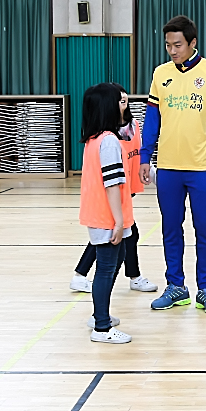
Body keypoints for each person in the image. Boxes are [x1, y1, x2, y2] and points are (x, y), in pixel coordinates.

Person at [140, 15, 206, 315]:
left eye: (178, 45)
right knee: (170, 229)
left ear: (193, 43)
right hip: (167, 167)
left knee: (204, 229)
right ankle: (176, 286)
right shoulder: (160, 74)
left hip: (201, 167)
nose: (172, 50)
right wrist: (144, 156)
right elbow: (152, 120)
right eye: (168, 45)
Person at [70, 85, 158, 294]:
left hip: (125, 192)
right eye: (120, 100)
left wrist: (158, 179)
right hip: (111, 196)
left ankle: (128, 277)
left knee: (121, 238)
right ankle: (87, 278)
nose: (124, 103)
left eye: (126, 99)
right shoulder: (106, 138)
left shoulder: (133, 127)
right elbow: (109, 181)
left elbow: (140, 157)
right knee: (111, 239)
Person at [78, 83, 135, 344]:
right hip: (107, 217)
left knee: (116, 259)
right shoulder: (109, 142)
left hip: (103, 215)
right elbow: (112, 184)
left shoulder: (95, 139)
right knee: (105, 269)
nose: (125, 106)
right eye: (120, 102)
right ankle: (101, 326)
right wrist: (118, 221)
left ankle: (100, 315)